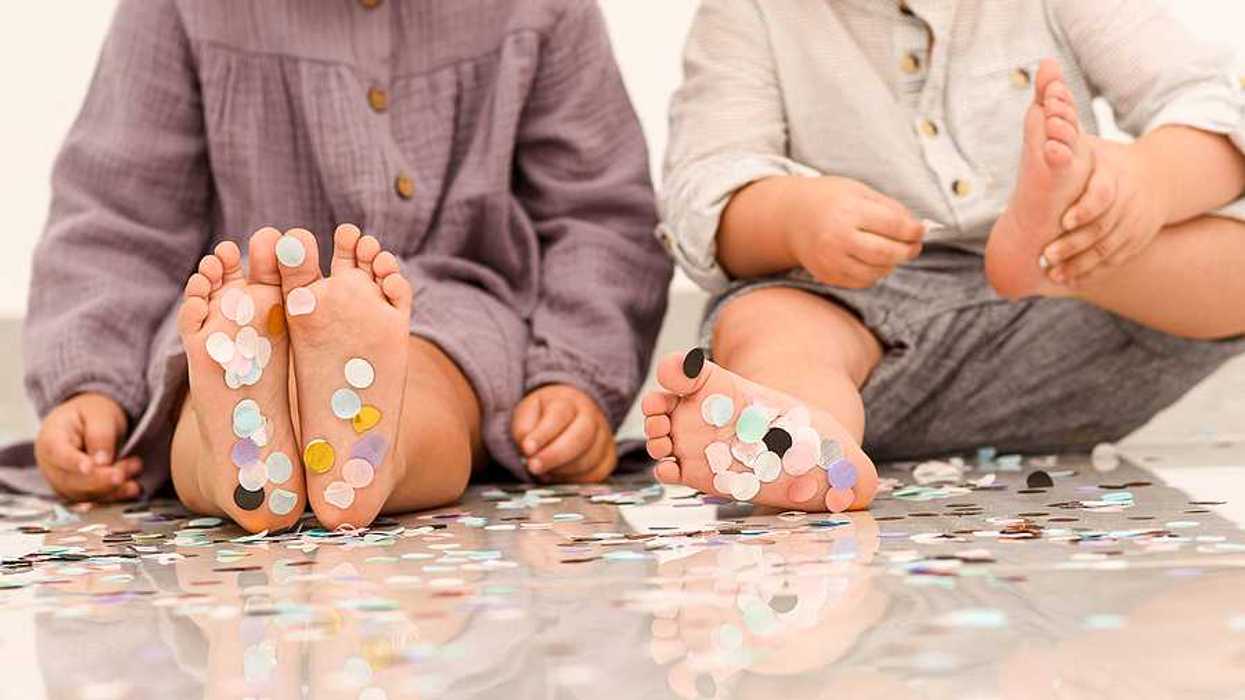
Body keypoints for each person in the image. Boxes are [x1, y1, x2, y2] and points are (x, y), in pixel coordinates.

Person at [20, 0, 672, 531]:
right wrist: (92, 387)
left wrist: (571, 377)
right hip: (244, 308)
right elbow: (121, 212)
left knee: (421, 376)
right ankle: (354, 463)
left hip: (446, 307)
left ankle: (240, 468)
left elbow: (596, 216)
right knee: (244, 375)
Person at [642, 0, 1245, 513]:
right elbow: (705, 186)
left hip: (1077, 312)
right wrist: (792, 217)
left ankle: (1056, 254)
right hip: (862, 311)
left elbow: (1213, 103)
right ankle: (804, 440)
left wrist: (1145, 181)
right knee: (771, 320)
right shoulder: (751, 11)